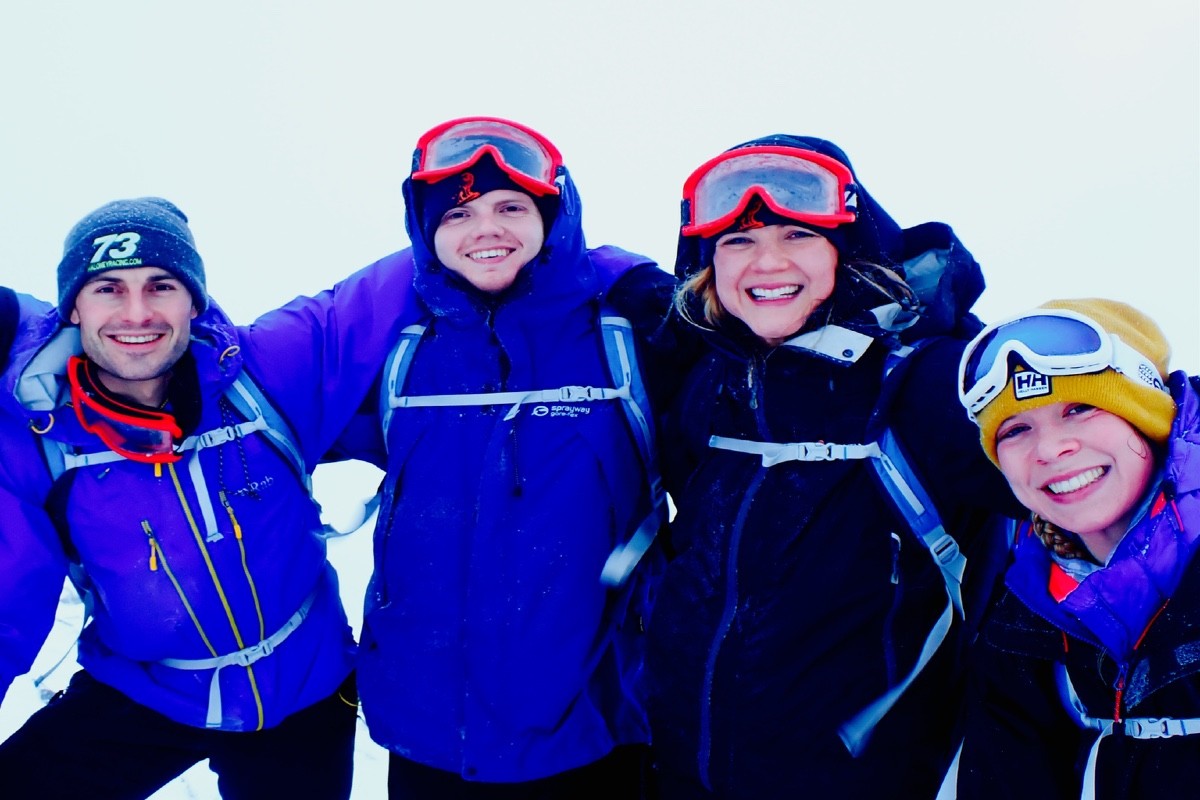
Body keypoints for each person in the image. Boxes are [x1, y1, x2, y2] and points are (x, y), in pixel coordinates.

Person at [644, 135, 1023, 799]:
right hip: (687, 771)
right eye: (737, 243)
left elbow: (1101, 476)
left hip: (865, 779)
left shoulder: (926, 383)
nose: (767, 263)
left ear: (845, 251)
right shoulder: (710, 382)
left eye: (797, 236)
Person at [0, 197, 413, 798]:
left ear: (193, 298)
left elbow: (414, 268)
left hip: (303, 691)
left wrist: (601, 275)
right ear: (73, 309)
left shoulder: (265, 372)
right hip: (142, 692)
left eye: (160, 285)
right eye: (108, 289)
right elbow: (8, 599)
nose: (137, 313)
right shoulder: (37, 438)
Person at [331, 116, 675, 798]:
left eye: (510, 207)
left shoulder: (631, 330)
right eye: (458, 213)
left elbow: (759, 379)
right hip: (428, 730)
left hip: (594, 727)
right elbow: (273, 408)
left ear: (556, 215)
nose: (485, 229)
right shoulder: (401, 348)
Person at [954, 299, 1200, 799]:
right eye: (1016, 429)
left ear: (1147, 418)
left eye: (1080, 409)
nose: (1049, 449)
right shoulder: (1024, 621)